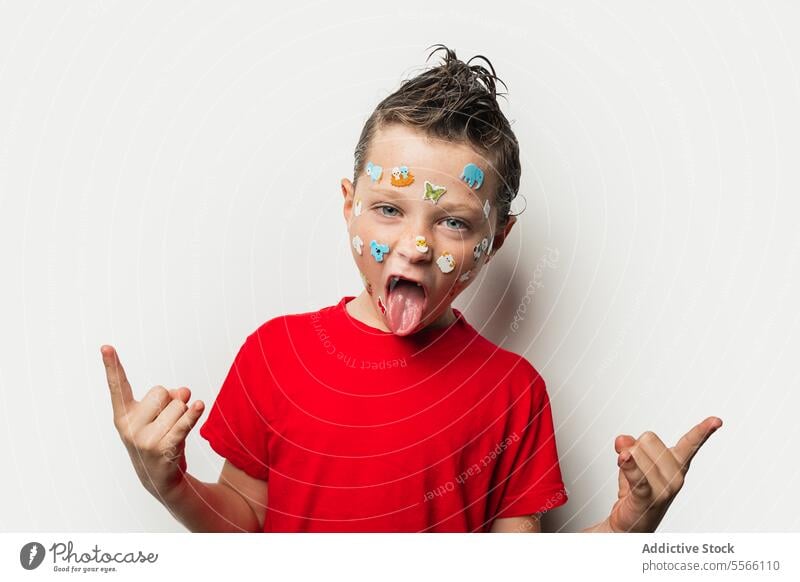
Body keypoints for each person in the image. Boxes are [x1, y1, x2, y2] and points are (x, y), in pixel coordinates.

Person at [100, 44, 722, 533]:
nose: (416, 247)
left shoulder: (513, 393)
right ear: (349, 206)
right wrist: (168, 480)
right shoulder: (274, 354)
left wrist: (626, 529)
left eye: (453, 222)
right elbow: (244, 526)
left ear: (496, 239)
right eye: (388, 210)